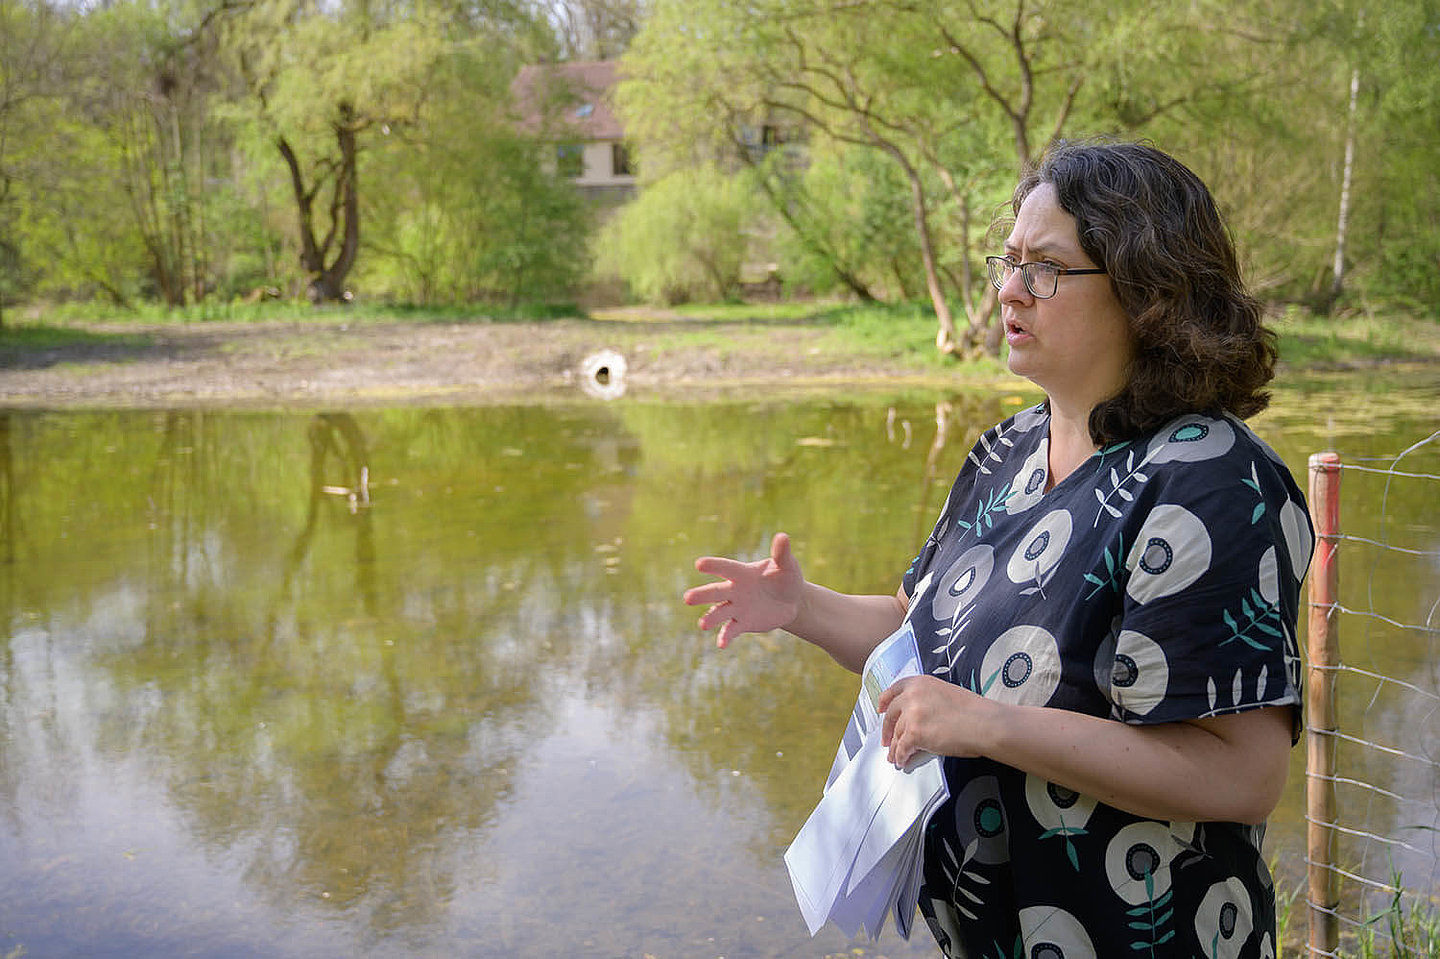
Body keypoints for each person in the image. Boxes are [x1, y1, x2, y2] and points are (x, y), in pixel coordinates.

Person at [682, 139, 1313, 959]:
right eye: (1007, 261)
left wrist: (988, 724)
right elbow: (921, 637)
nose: (1009, 290)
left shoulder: (1211, 482)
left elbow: (1242, 774)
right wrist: (801, 607)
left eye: (1045, 268)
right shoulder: (1007, 450)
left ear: (1147, 290)